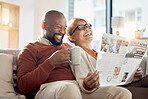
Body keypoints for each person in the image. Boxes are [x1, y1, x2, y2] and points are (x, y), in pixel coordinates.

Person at [66, 18, 147, 99]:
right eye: (81, 27)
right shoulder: (76, 51)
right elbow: (83, 83)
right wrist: (86, 84)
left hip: (116, 85)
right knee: (124, 93)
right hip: (93, 91)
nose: (87, 28)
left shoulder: (99, 53)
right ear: (71, 37)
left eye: (88, 26)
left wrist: (131, 75)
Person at [17, 10, 82, 99]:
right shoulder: (30, 49)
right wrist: (50, 63)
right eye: (58, 26)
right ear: (43, 26)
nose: (62, 32)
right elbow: (23, 86)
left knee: (107, 91)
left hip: (76, 87)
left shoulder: (69, 47)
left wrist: (88, 82)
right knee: (68, 88)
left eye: (64, 28)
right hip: (48, 88)